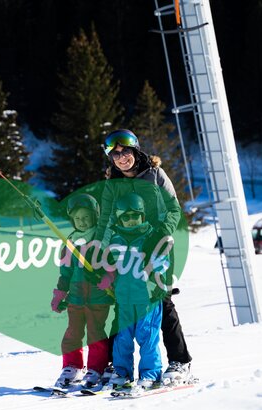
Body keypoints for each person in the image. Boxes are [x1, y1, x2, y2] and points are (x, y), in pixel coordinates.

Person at [96, 129, 194, 384]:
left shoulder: (156, 175)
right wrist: (100, 249)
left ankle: (179, 361)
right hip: (124, 246)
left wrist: (161, 232)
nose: (121, 158)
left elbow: (173, 208)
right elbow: (105, 219)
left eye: (125, 152)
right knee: (122, 300)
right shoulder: (112, 184)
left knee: (160, 301)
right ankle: (116, 365)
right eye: (115, 154)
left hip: (157, 244)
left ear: (135, 150)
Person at [105, 193, 170, 391]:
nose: (131, 220)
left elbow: (161, 261)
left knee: (147, 336)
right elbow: (111, 266)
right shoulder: (115, 241)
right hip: (124, 298)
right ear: (119, 219)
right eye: (126, 216)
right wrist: (107, 281)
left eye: (135, 215)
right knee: (122, 338)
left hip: (147, 298)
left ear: (142, 216)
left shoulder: (150, 238)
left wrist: (156, 283)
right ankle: (122, 372)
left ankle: (151, 374)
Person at [50, 193, 115, 389]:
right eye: (77, 218)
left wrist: (107, 278)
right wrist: (60, 293)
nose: (82, 222)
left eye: (86, 217)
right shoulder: (70, 242)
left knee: (95, 333)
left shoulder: (102, 239)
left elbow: (112, 265)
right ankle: (72, 366)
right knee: (72, 333)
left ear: (95, 216)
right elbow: (66, 272)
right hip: (76, 297)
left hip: (98, 296)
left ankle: (97, 368)